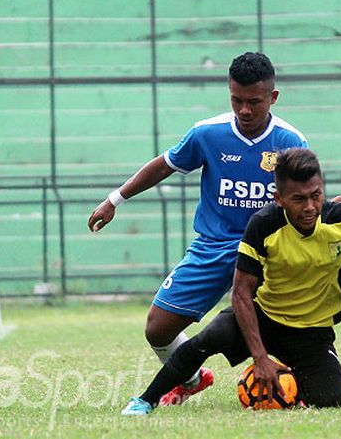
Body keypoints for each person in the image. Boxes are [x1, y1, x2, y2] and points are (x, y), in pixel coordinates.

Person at [119, 147, 341, 415]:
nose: (309, 207)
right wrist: (259, 357)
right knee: (203, 342)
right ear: (279, 199)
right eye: (298, 199)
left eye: (316, 195)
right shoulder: (264, 223)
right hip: (263, 317)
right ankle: (145, 401)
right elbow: (241, 295)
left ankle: (284, 385)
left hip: (312, 332)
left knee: (332, 398)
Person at [87, 52, 307, 406]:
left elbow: (305, 199)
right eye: (236, 100)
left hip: (268, 252)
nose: (244, 110)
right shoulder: (208, 133)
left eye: (254, 102)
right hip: (214, 247)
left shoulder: (290, 141)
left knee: (284, 326)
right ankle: (190, 378)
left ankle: (299, 379)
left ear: (273, 97)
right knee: (157, 328)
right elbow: (164, 165)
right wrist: (115, 199)